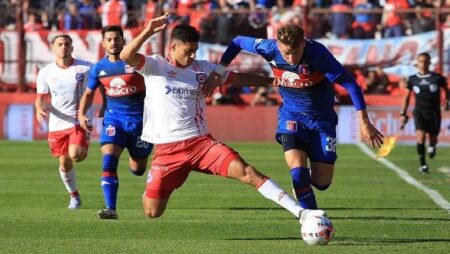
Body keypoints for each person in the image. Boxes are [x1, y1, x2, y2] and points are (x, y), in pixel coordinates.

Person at [119, 14, 326, 225]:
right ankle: (155, 185)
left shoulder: (204, 69)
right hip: (167, 151)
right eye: (187, 51)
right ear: (172, 47)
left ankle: (302, 213)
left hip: (201, 145)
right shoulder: (155, 66)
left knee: (248, 172)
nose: (191, 56)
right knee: (152, 212)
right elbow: (126, 56)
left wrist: (275, 81)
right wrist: (147, 31)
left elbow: (237, 78)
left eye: (194, 51)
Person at [204, 24, 384, 210]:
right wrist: (219, 70)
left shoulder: (318, 54)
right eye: (286, 53)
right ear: (278, 45)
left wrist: (364, 122)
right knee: (298, 174)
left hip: (322, 120)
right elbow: (238, 41)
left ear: (303, 45)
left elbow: (352, 86)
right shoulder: (269, 47)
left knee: (322, 183)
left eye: (296, 52)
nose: (291, 58)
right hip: (291, 117)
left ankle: (305, 184)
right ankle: (311, 218)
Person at [78, 26, 154, 219]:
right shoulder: (99, 68)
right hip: (114, 119)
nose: (113, 43)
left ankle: (137, 162)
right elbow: (89, 93)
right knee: (109, 160)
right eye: (109, 39)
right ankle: (110, 208)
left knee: (138, 169)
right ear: (103, 43)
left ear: (123, 41)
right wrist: (81, 114)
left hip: (141, 122)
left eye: (117, 39)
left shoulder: (137, 63)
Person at [35, 34, 92, 209]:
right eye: (59, 44)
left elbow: (98, 88)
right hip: (57, 123)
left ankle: (83, 145)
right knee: (64, 162)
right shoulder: (46, 72)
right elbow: (41, 98)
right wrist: (39, 108)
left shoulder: (85, 68)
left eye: (67, 44)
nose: (63, 47)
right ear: (53, 48)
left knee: (75, 154)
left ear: (72, 48)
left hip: (78, 120)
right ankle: (74, 196)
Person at [400, 52, 450, 173]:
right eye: (421, 61)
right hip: (419, 112)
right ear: (417, 63)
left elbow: (447, 91)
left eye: (425, 61)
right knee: (420, 138)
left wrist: (447, 101)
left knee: (433, 138)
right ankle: (423, 164)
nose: (423, 64)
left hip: (434, 112)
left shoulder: (437, 78)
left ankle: (432, 146)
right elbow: (406, 97)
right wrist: (403, 113)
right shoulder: (413, 79)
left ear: (429, 62)